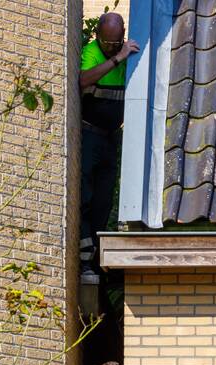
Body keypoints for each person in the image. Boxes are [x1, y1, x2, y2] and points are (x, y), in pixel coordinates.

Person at [78, 14, 139, 285]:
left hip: (111, 137)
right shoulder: (92, 52)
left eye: (115, 44)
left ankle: (97, 257)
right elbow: (83, 80)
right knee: (86, 197)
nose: (110, 47)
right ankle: (85, 258)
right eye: (107, 43)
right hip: (90, 135)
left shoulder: (129, 52)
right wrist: (116, 59)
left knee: (105, 199)